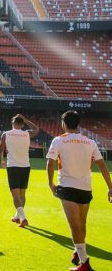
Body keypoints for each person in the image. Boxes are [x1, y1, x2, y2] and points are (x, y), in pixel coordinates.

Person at [46, 111, 112, 271]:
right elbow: (102, 165)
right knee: (81, 224)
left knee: (75, 226)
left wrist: (51, 184)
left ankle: (85, 263)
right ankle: (78, 251)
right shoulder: (90, 142)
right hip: (85, 188)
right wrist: (110, 187)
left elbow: (50, 163)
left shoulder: (58, 140)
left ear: (64, 123)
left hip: (67, 187)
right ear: (78, 123)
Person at [0, 114, 40, 227]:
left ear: (12, 123)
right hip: (26, 166)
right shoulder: (27, 133)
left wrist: (1, 161)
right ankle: (17, 216)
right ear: (22, 124)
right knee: (22, 194)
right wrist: (26, 119)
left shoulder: (6, 134)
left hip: (13, 167)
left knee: (15, 195)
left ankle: (23, 218)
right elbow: (36, 129)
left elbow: (0, 150)